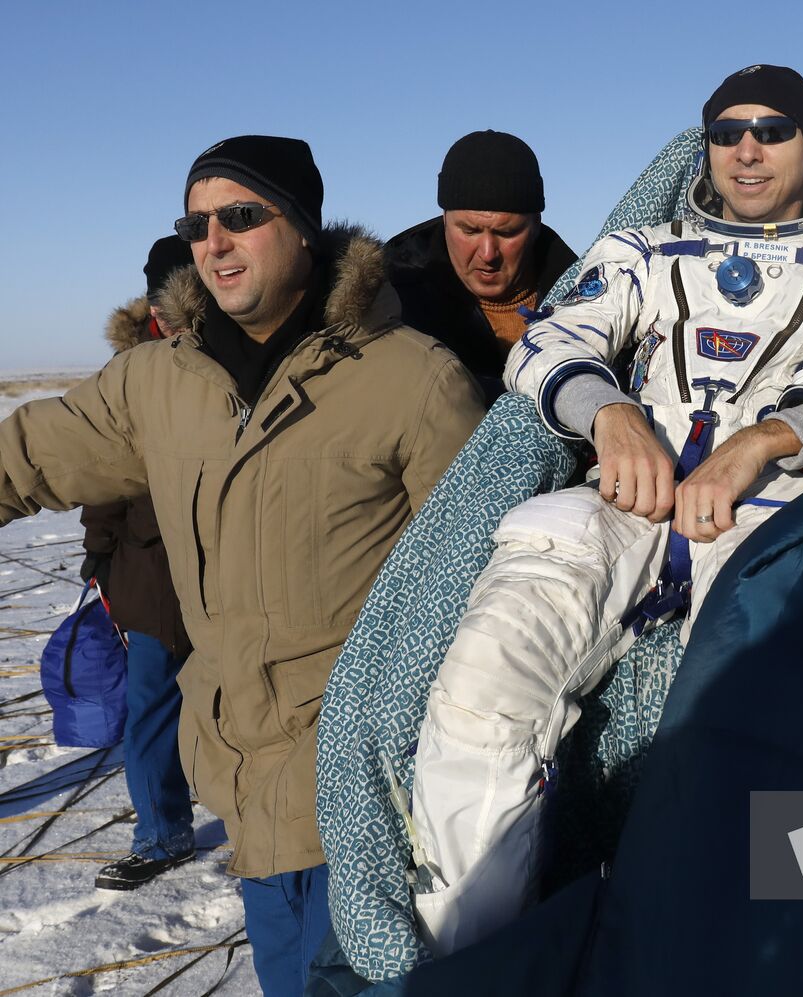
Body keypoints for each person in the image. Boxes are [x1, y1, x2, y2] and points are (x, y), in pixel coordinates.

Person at [408, 64, 803, 957]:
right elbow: (550, 338)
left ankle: (702, 958)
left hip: (770, 511)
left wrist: (766, 441)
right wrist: (609, 412)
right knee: (487, 676)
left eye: (772, 131)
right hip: (636, 497)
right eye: (726, 132)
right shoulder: (645, 251)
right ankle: (475, 956)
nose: (746, 149)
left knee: (743, 736)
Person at [0, 136, 485, 996]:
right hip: (243, 787)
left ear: (301, 227)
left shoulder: (414, 380)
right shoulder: (157, 381)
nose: (213, 241)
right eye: (196, 224)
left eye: (240, 215)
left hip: (366, 803)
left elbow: (484, 588)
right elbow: (31, 453)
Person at [81, 235, 197, 891]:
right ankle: (161, 833)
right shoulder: (126, 373)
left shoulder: (235, 356)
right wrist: (99, 557)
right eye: (162, 298)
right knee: (152, 703)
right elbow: (100, 476)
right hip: (150, 574)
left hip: (234, 565)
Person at [386, 130, 577, 398]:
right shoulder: (388, 305)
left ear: (536, 224)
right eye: (470, 231)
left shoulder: (592, 299)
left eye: (507, 233)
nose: (488, 254)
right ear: (444, 219)